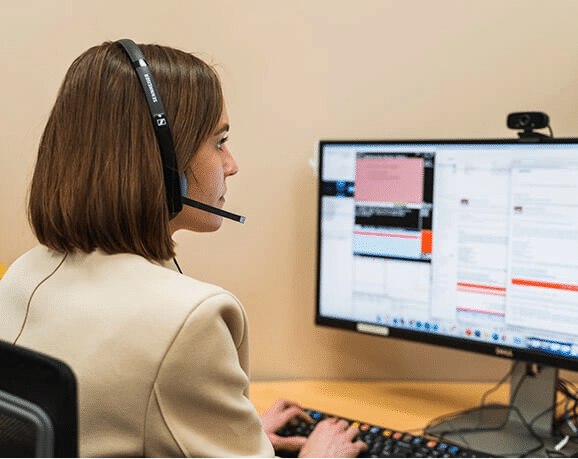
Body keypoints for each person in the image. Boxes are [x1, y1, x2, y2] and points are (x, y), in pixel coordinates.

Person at [0, 41, 367, 458]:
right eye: (219, 141)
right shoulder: (189, 319)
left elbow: (110, 416)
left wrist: (233, 431)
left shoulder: (23, 275)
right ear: (163, 164)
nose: (231, 164)